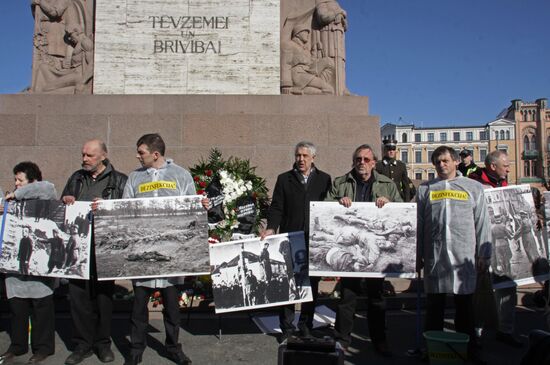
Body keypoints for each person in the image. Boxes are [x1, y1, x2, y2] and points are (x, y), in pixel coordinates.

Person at [123, 133, 208, 365]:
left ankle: (173, 347)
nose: (138, 156)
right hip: (143, 253)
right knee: (139, 305)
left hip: (172, 254)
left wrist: (201, 205)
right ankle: (136, 348)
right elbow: (124, 209)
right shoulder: (134, 178)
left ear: (156, 154)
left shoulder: (181, 175)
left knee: (172, 306)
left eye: (141, 152)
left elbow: (191, 206)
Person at [417, 146, 491, 364]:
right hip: (435, 256)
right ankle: (432, 349)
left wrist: (483, 254)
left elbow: (482, 222)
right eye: (437, 161)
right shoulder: (425, 189)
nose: (441, 165)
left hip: (464, 255)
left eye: (445, 160)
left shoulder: (473, 188)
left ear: (456, 162)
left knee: (464, 307)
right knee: (435, 307)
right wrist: (417, 255)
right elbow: (419, 224)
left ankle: (469, 349)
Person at [326, 144, 402, 356]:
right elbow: (325, 206)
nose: (362, 163)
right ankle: (342, 339)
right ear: (354, 162)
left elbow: (402, 210)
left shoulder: (387, 184)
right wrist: (338, 203)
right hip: (351, 247)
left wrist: (390, 204)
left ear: (374, 163)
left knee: (376, 298)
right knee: (347, 297)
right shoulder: (340, 183)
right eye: (358, 159)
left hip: (373, 246)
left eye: (366, 160)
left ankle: (379, 339)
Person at [61, 139, 127, 365]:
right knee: (78, 297)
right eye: (83, 155)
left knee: (103, 298)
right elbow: (64, 206)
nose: (84, 159)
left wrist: (108, 206)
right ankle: (82, 345)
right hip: (77, 249)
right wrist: (66, 200)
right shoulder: (76, 178)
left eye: (89, 155)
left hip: (104, 248)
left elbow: (127, 213)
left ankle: (102, 343)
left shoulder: (120, 180)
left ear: (103, 156)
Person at [261, 141, 331, 340]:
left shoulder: (325, 179)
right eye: (298, 155)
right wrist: (272, 227)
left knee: (312, 284)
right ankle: (287, 327)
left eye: (305, 156)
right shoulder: (284, 179)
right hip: (290, 238)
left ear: (313, 158)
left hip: (315, 241)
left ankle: (306, 324)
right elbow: (276, 207)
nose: (301, 159)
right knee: (287, 284)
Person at [0, 161, 57, 364]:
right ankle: (18, 345)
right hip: (15, 268)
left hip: (39, 267)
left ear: (32, 181)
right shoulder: (9, 201)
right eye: (14, 180)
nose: (16, 184)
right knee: (17, 309)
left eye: (20, 180)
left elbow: (46, 187)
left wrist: (17, 194)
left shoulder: (45, 195)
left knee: (42, 309)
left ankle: (44, 348)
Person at [469, 150, 523, 348]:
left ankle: (505, 330)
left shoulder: (505, 184)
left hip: (503, 245)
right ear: (493, 166)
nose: (509, 169)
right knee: (480, 290)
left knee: (508, 287)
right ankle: (476, 331)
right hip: (480, 246)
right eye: (506, 165)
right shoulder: (473, 182)